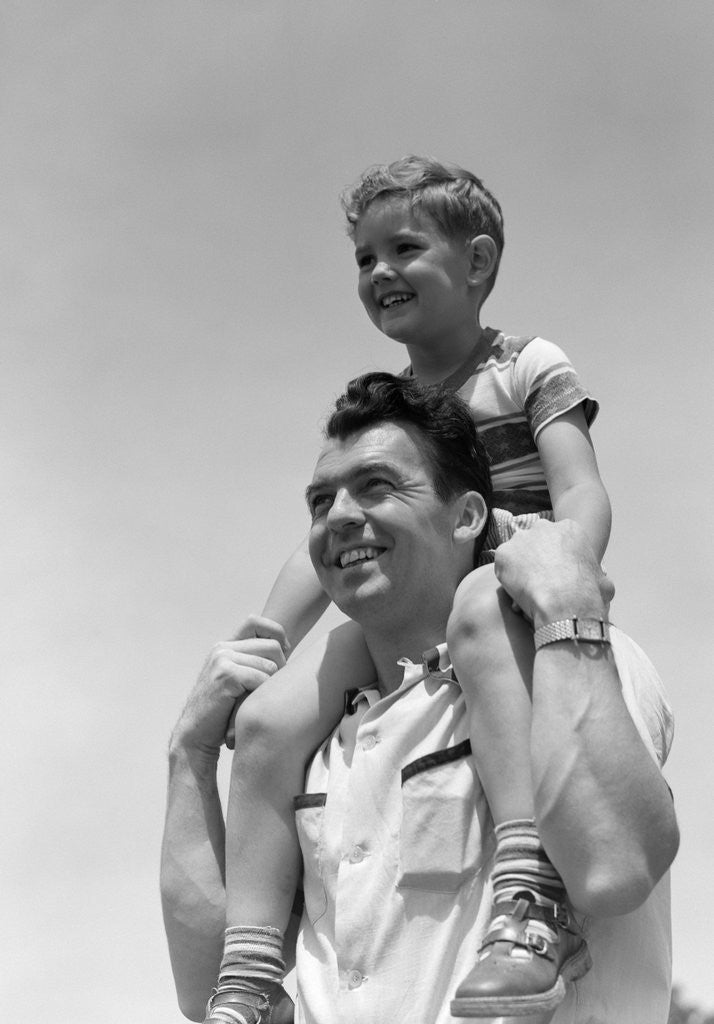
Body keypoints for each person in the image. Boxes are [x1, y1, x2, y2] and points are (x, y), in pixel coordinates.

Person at [203, 156, 616, 1022]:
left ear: (476, 263)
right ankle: (247, 973)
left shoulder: (527, 365)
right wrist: (266, 642)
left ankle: (526, 884)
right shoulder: (398, 415)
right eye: (363, 258)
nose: (379, 271)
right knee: (271, 719)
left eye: (403, 248)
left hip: (505, 575)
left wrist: (563, 569)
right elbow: (328, 546)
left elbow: (579, 485)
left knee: (474, 611)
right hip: (413, 602)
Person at [161, 372, 678, 1024]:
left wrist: (570, 607)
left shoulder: (564, 658)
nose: (340, 516)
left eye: (378, 486)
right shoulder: (307, 741)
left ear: (466, 517)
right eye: (320, 502)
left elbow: (616, 868)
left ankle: (528, 909)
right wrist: (190, 750)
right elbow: (203, 994)